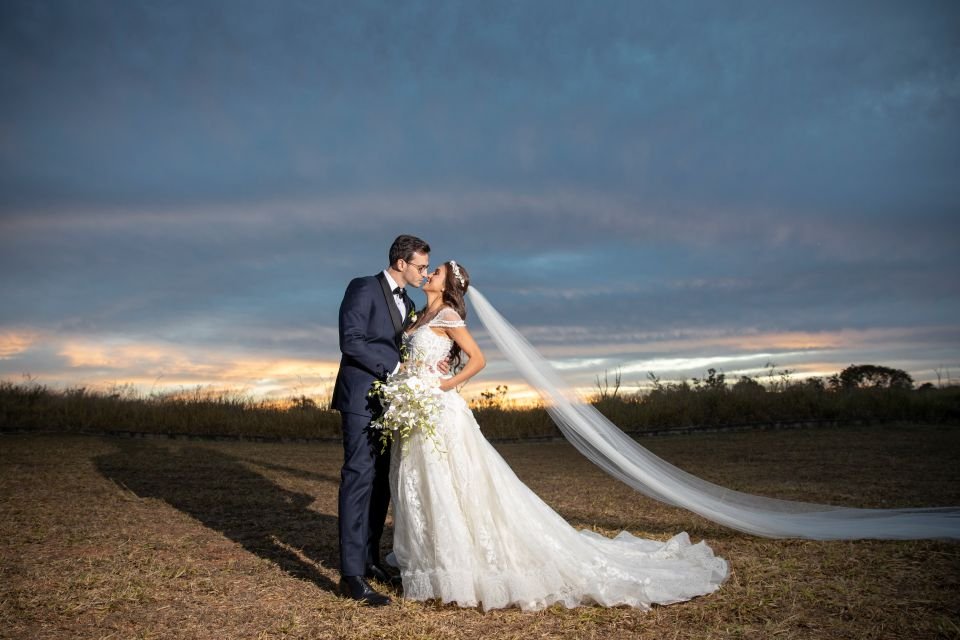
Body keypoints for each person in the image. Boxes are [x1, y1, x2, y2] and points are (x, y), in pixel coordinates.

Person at [387, 261, 729, 611]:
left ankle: (457, 569)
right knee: (421, 480)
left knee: (451, 481)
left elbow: (478, 359)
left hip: (441, 410)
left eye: (437, 272)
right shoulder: (419, 317)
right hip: (417, 409)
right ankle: (431, 562)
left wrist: (445, 383)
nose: (429, 274)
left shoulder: (447, 315)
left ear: (448, 287)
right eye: (429, 270)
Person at [331, 234, 431, 606]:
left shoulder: (408, 302)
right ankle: (351, 575)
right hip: (360, 398)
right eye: (420, 266)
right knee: (358, 478)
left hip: (393, 404)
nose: (424, 273)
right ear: (401, 263)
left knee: (382, 483)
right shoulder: (363, 287)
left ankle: (370, 559)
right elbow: (351, 340)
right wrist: (394, 368)